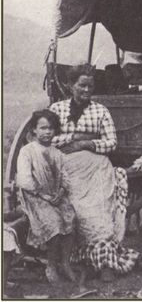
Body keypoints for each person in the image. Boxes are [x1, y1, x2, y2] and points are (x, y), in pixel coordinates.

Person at [50, 63, 139, 282]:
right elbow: (46, 139)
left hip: (96, 167)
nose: (86, 90)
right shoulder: (57, 110)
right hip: (66, 166)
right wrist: (73, 138)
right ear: (71, 85)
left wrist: (86, 144)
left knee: (99, 208)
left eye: (90, 86)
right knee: (74, 207)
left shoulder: (100, 111)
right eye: (81, 85)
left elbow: (111, 143)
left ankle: (104, 261)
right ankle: (75, 260)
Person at [16, 109, 79, 286]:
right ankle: (51, 265)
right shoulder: (28, 152)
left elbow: (65, 177)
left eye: (51, 128)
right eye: (43, 128)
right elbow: (24, 180)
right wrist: (42, 194)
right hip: (34, 196)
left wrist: (60, 192)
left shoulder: (57, 153)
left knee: (70, 217)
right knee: (54, 222)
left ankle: (65, 262)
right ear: (34, 130)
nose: (47, 132)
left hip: (55, 196)